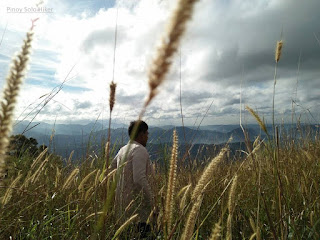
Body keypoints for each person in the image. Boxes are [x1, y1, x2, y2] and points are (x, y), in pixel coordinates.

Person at [110, 120, 156, 236]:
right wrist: (152, 201)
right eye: (147, 133)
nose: (147, 136)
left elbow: (110, 169)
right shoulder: (140, 150)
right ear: (141, 134)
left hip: (122, 212)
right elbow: (139, 179)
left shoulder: (122, 150)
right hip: (139, 212)